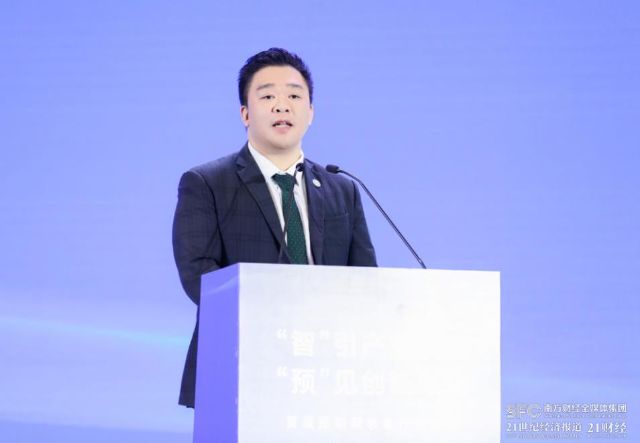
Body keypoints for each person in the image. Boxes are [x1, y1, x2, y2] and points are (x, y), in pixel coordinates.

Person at [172, 47, 377, 408]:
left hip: (328, 366)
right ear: (245, 113)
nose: (282, 106)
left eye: (294, 97)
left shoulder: (342, 189)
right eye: (268, 97)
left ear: (310, 112)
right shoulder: (207, 183)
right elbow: (200, 278)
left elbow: (364, 281)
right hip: (242, 362)